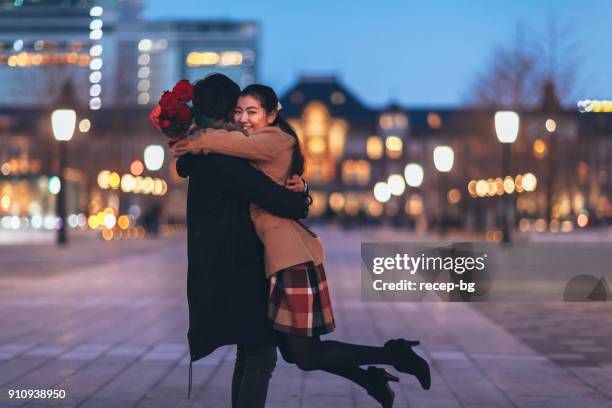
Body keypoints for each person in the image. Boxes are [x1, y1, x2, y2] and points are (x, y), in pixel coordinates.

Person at [173, 84, 431, 408]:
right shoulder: (235, 153)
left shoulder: (267, 141)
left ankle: (389, 360)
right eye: (238, 112)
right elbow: (274, 189)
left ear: (271, 115)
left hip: (285, 258)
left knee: (290, 353)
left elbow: (287, 202)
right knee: (290, 353)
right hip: (267, 262)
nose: (242, 119)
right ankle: (377, 371)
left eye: (251, 112)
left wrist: (197, 139)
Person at [175, 74, 310, 408]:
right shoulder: (222, 161)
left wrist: (300, 188)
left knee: (252, 354)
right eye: (237, 110)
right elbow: (282, 201)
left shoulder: (211, 154)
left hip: (228, 268)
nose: (242, 119)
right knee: (260, 356)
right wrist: (301, 196)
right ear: (226, 112)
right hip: (239, 270)